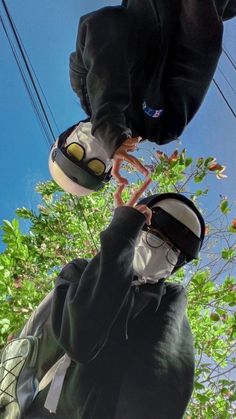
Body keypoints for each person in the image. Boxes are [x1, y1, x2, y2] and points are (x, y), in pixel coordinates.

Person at [25, 180, 205, 418]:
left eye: (176, 252)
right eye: (157, 236)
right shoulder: (80, 271)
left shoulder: (167, 301)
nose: (163, 251)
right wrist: (121, 235)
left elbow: (164, 384)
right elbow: (80, 340)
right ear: (136, 231)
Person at [49, 0, 236, 194]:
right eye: (95, 166)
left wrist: (108, 123)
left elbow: (109, 23)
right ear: (109, 168)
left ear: (67, 136)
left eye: (75, 152)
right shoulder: (161, 129)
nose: (89, 152)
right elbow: (198, 62)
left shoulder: (83, 82)